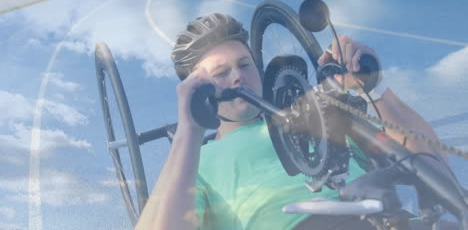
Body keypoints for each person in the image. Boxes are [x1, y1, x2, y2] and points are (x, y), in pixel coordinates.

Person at [135, 13, 453, 230]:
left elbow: (434, 165)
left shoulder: (315, 117)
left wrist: (373, 87)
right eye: (221, 73)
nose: (238, 77)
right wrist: (188, 132)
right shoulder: (195, 162)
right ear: (199, 90)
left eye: (245, 64)